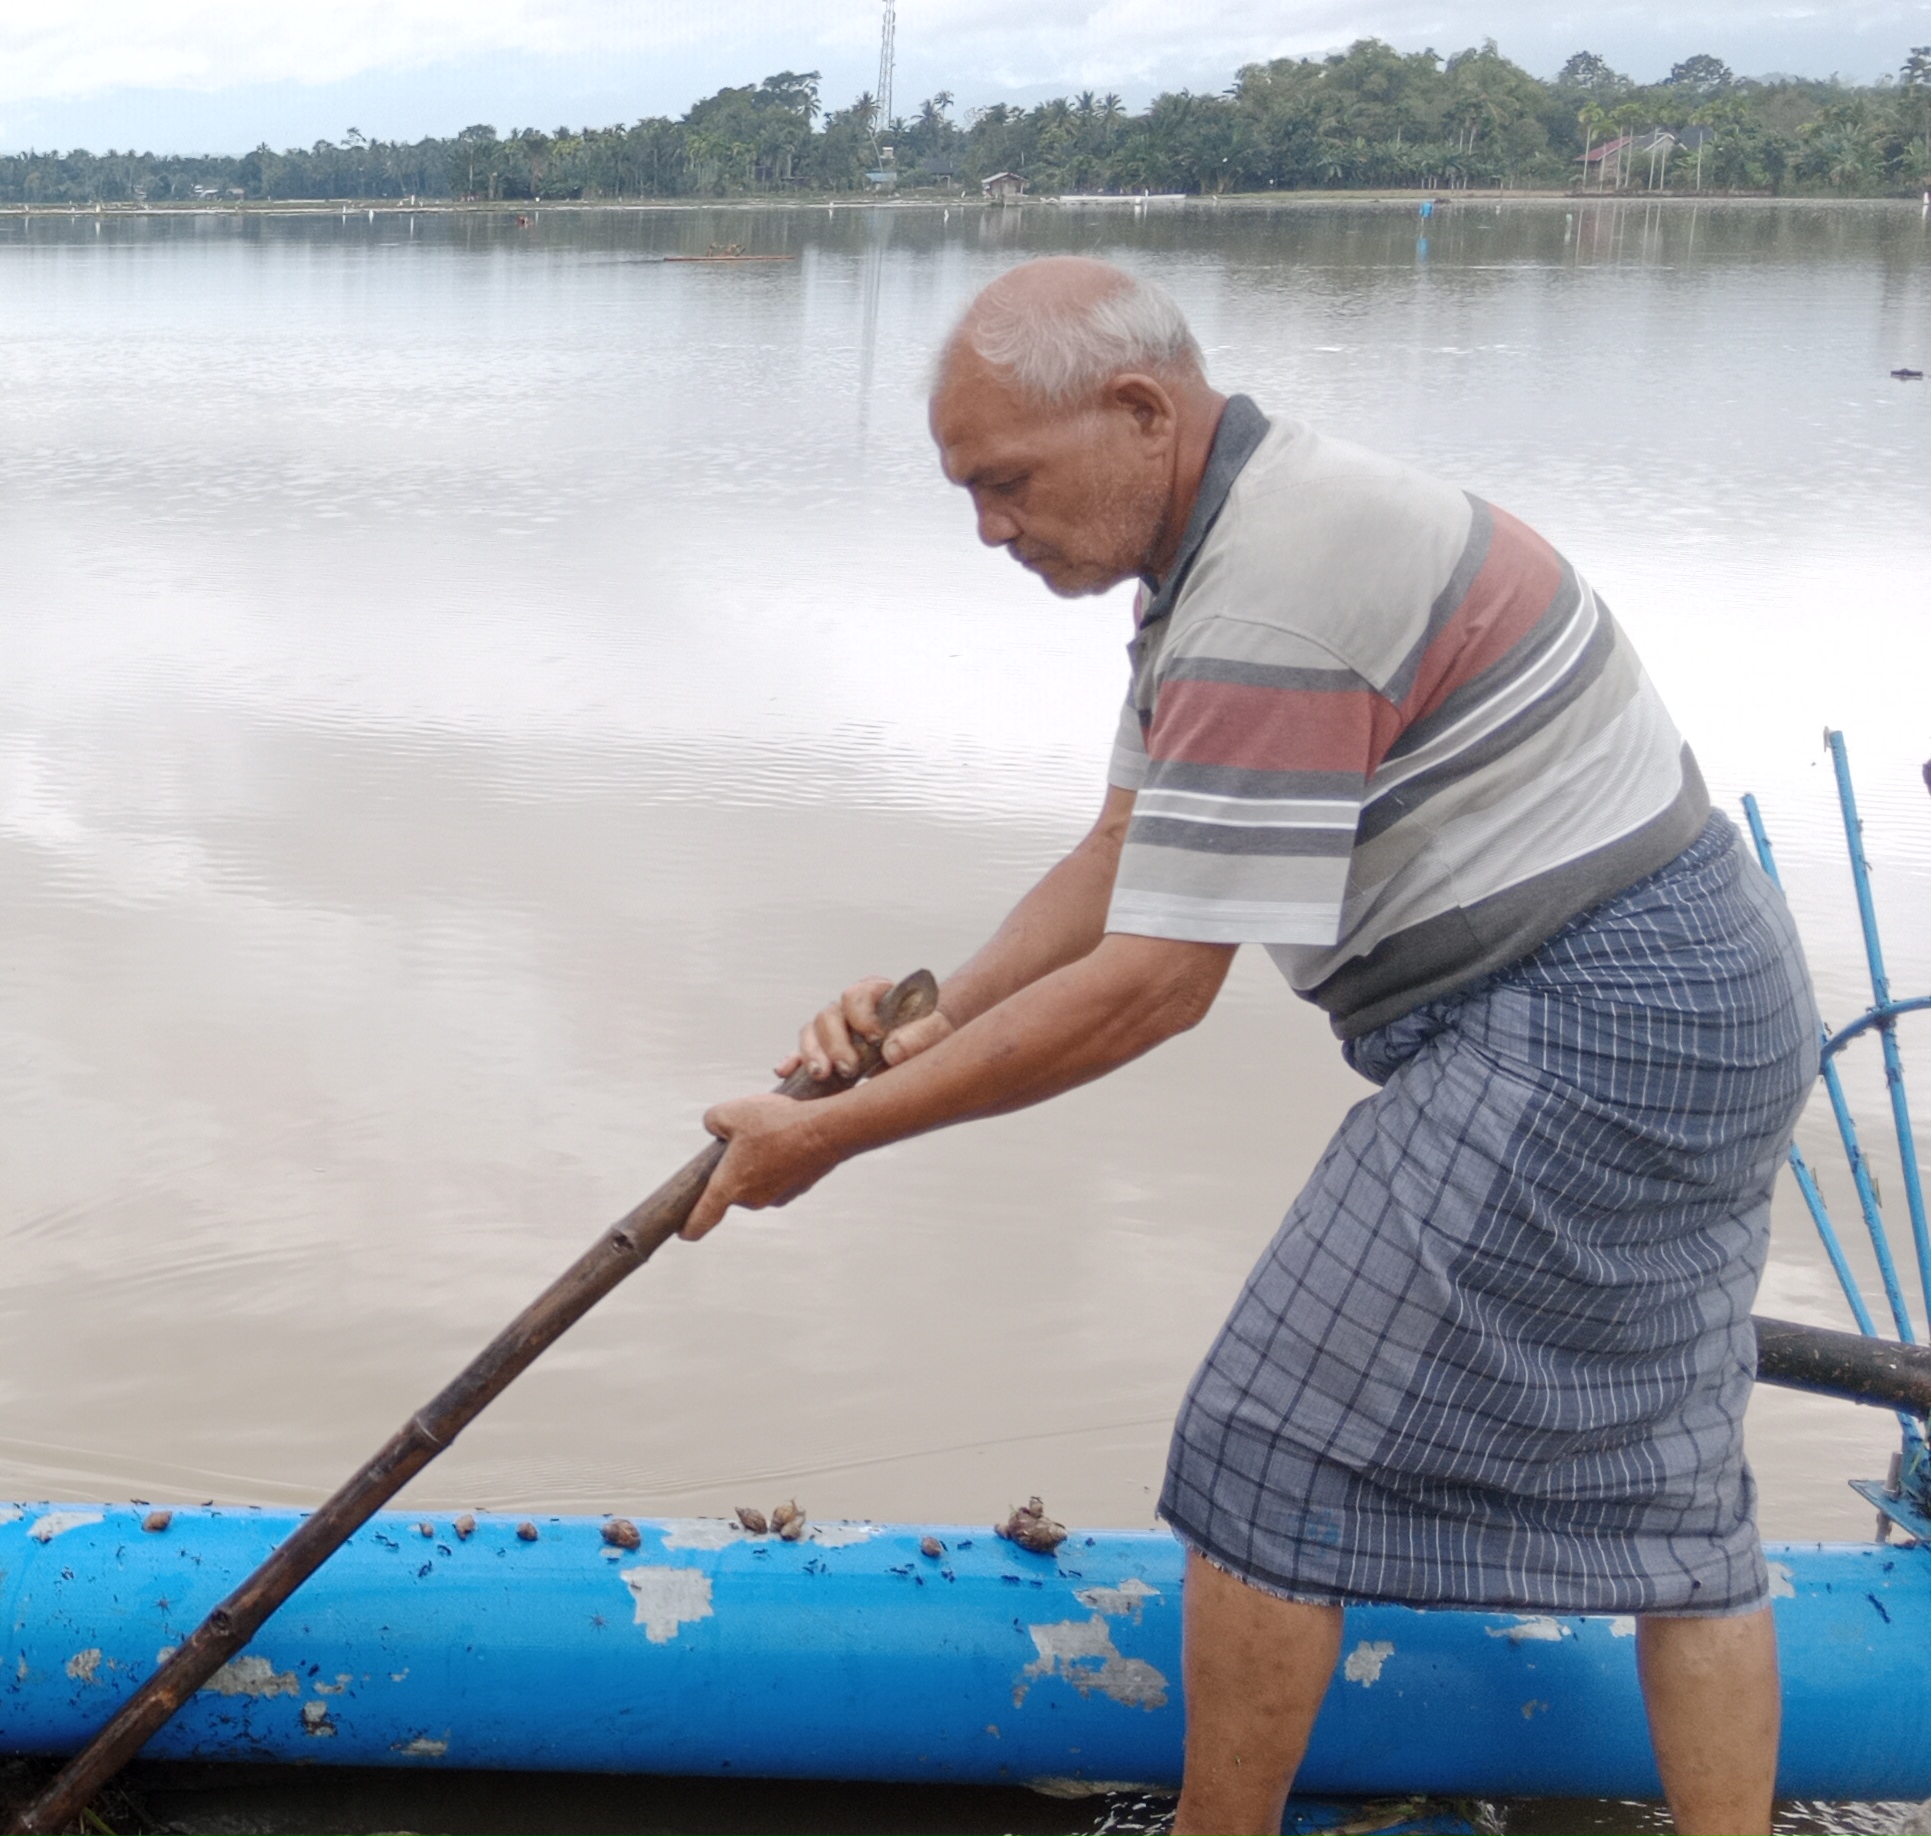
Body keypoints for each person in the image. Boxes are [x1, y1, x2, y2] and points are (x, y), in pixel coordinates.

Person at [684, 257, 1815, 1836]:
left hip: (1588, 1011)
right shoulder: (1227, 551)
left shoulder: (1275, 578)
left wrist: (831, 1138)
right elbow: (1121, 853)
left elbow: (1157, 983)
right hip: (1696, 990)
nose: (990, 532)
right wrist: (913, 1035)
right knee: (1676, 1490)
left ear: (1141, 411)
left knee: (1269, 1450)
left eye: (1005, 483)